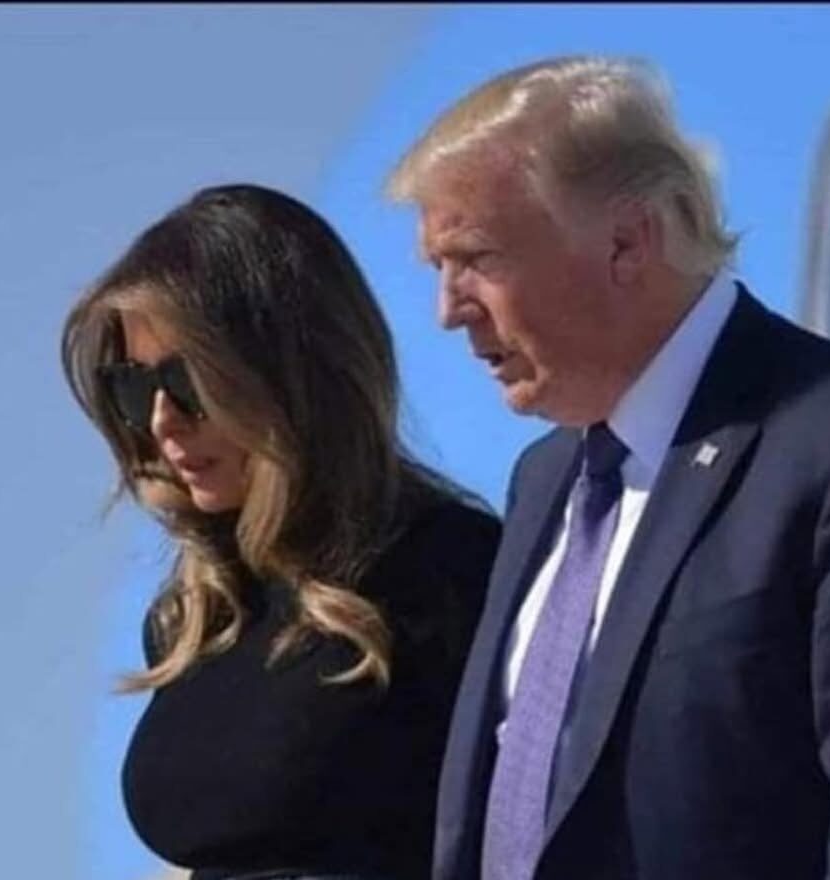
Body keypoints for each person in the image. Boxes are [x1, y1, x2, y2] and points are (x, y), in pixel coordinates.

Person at [385, 55, 830, 880]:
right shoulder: (545, 476)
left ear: (626, 242)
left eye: (476, 257)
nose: (447, 310)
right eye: (437, 269)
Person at [61, 183, 501, 880]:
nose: (161, 422)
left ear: (293, 371)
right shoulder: (194, 616)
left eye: (188, 382)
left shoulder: (456, 568)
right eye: (133, 388)